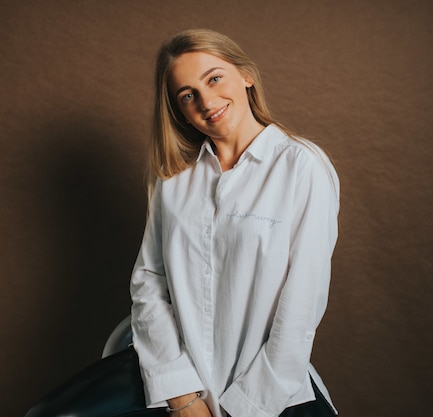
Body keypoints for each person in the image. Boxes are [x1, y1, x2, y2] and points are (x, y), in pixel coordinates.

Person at [130, 28, 340, 417]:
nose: (207, 101)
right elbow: (149, 281)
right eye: (188, 95)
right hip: (182, 392)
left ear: (246, 75)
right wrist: (183, 398)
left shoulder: (301, 167)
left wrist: (246, 409)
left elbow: (302, 302)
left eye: (214, 78)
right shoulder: (173, 179)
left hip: (270, 399)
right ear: (178, 110)